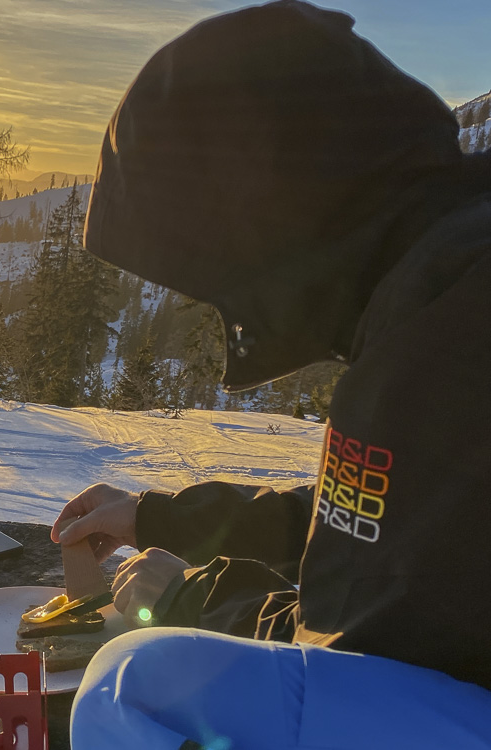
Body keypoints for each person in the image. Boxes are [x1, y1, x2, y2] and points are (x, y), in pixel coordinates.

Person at [52, 1, 491, 747]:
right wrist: (162, 518)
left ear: (273, 213)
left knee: (135, 686)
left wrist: (192, 597)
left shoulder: (450, 331)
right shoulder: (444, 272)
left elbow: (360, 648)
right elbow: (374, 523)